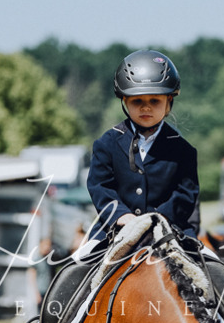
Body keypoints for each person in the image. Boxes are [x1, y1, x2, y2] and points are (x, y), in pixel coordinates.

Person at [83, 50, 199, 255]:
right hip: (115, 230)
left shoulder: (184, 150)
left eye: (155, 101)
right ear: (125, 101)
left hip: (170, 230)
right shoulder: (106, 144)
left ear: (169, 101)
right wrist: (122, 216)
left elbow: (185, 195)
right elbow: (100, 186)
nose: (146, 108)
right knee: (74, 268)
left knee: (215, 268)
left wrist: (156, 220)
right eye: (137, 101)